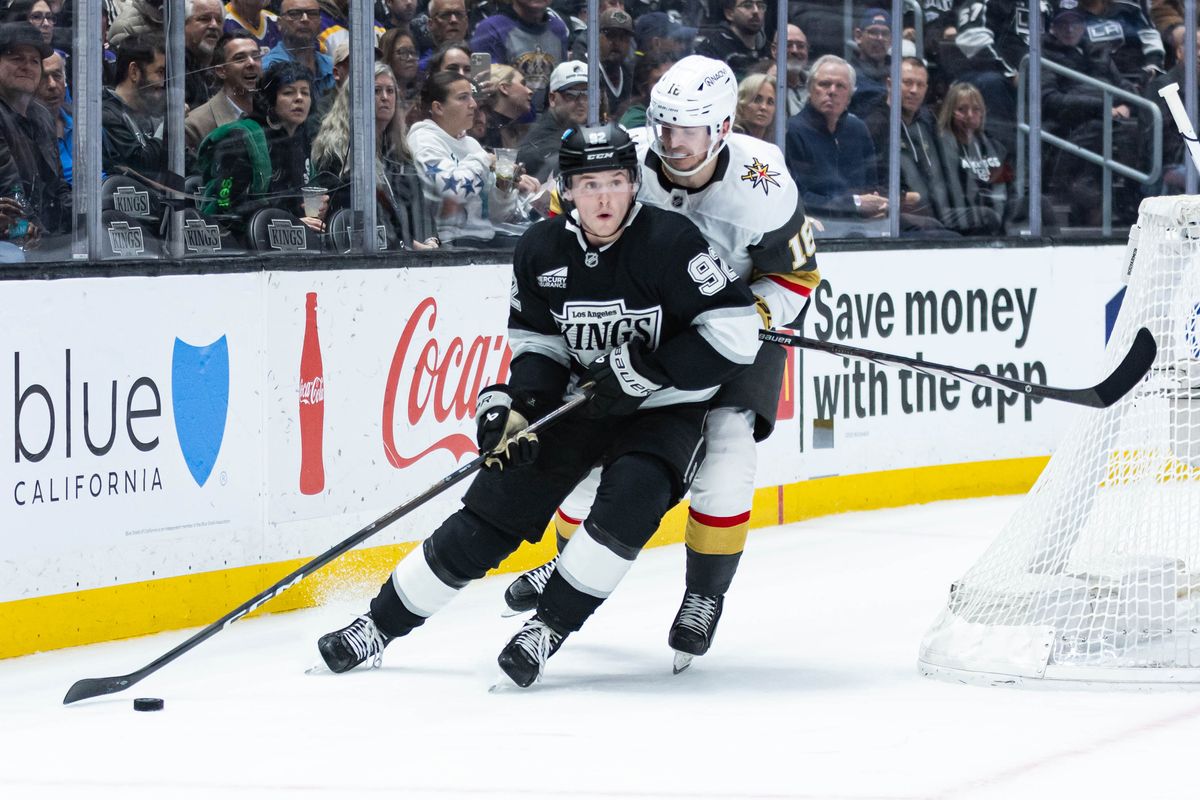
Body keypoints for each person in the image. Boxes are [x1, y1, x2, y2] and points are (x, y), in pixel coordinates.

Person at [315, 122, 763, 688]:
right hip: (584, 403)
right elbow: (539, 343)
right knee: (489, 513)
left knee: (632, 497)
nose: (605, 198)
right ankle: (377, 626)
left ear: (633, 186)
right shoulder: (541, 248)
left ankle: (547, 628)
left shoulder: (671, 242)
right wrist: (520, 405)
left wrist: (646, 371)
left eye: (618, 182)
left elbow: (735, 335)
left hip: (665, 410)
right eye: (590, 183)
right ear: (567, 189)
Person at [503, 55, 820, 673]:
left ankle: (704, 595)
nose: (669, 139)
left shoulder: (765, 182)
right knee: (598, 448)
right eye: (663, 123)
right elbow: (559, 239)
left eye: (687, 128)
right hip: (634, 324)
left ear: (722, 129)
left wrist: (743, 320)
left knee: (729, 450)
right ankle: (569, 566)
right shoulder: (624, 157)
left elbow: (798, 275)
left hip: (731, 329)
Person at [311, 63, 440, 250]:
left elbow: (419, 207)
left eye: (390, 91)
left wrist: (431, 239)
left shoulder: (399, 153)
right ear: (355, 99)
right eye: (376, 91)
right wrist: (408, 245)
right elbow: (351, 216)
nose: (385, 98)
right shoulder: (337, 152)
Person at [408, 70, 538, 247]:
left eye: (472, 97)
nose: (474, 105)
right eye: (463, 98)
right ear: (438, 107)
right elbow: (453, 192)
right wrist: (483, 160)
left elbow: (497, 215)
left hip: (483, 237)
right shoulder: (423, 140)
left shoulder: (471, 144)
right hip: (449, 242)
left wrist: (503, 186)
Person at [195, 60, 323, 236]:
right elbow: (227, 207)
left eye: (305, 93)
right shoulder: (242, 139)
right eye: (288, 92)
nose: (299, 98)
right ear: (271, 100)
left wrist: (316, 206)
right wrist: (290, 222)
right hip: (241, 242)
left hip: (292, 241)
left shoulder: (304, 141)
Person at [785, 54, 886, 233]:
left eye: (840, 86)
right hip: (818, 227)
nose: (832, 91)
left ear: (849, 95)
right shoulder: (792, 131)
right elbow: (797, 197)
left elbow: (872, 185)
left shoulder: (858, 129)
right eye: (824, 84)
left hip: (861, 225)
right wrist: (854, 204)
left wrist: (876, 204)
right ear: (810, 89)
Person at [861, 56, 954, 234]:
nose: (914, 90)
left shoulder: (927, 121)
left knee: (986, 216)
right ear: (890, 84)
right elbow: (871, 183)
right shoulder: (875, 124)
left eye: (920, 85)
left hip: (933, 206)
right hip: (897, 211)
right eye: (907, 83)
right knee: (942, 232)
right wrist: (904, 198)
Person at [0, 22, 68, 243]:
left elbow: (57, 188)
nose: (27, 66)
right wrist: (41, 239)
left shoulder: (42, 115)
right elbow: (11, 190)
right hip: (13, 239)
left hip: (44, 237)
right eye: (16, 58)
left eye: (34, 61)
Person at [935, 81, 1013, 235]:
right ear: (950, 112)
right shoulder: (941, 146)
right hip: (956, 212)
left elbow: (1009, 186)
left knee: (1037, 204)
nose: (970, 115)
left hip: (992, 209)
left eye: (976, 109)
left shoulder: (994, 146)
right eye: (962, 110)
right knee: (988, 215)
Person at [471, 0, 569, 111]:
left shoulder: (558, 28)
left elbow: (560, 85)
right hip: (505, 121)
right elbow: (484, 90)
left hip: (548, 121)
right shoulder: (490, 29)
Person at [102, 34, 168, 178]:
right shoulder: (107, 115)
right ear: (134, 72)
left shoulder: (153, 113)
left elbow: (186, 161)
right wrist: (169, 123)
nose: (163, 82)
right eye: (160, 72)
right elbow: (140, 167)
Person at [186, 32, 262, 153]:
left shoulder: (272, 113)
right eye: (240, 58)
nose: (251, 63)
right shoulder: (195, 126)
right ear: (221, 71)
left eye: (256, 56)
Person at [517, 59, 589, 181]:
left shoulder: (592, 131)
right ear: (552, 98)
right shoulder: (536, 150)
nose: (581, 101)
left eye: (587, 93)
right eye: (571, 95)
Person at [262, 0, 336, 108]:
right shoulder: (269, 68)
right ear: (279, 23)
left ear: (320, 22)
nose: (305, 19)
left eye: (312, 14)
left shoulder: (332, 66)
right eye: (294, 14)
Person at [695, 0, 769, 80]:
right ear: (729, 14)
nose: (756, 11)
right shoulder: (712, 48)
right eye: (747, 5)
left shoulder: (769, 49)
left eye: (761, 6)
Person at [35, 48, 71, 185]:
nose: (52, 84)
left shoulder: (81, 121)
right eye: (43, 77)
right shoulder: (27, 131)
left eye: (57, 75)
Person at [479, 63, 533, 149]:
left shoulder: (527, 132)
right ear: (504, 88)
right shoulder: (479, 133)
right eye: (523, 84)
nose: (530, 91)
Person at [848, 8, 890, 118]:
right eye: (873, 32)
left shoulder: (900, 74)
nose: (880, 38)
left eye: (885, 33)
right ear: (858, 36)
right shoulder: (847, 74)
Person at [185, 0, 226, 108]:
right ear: (183, 24)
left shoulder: (227, 64)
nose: (214, 25)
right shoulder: (172, 66)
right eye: (204, 19)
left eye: (219, 20)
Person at [596, 9, 635, 117]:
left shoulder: (630, 75)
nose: (617, 43)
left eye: (623, 37)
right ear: (596, 37)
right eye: (610, 35)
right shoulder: (585, 72)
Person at [619, 52, 674, 128]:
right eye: (660, 80)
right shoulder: (635, 119)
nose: (670, 86)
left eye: (673, 79)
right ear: (642, 89)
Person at [379, 27, 421, 114]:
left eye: (413, 52)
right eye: (403, 52)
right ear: (388, 56)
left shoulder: (421, 98)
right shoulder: (380, 98)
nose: (410, 58)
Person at [771, 22, 809, 115]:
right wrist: (771, 82)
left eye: (801, 46)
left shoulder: (816, 83)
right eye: (788, 45)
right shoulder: (762, 86)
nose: (795, 51)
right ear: (774, 50)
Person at [733, 71, 774, 141]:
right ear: (742, 103)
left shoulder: (777, 143)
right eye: (757, 100)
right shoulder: (730, 140)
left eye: (770, 102)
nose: (763, 107)